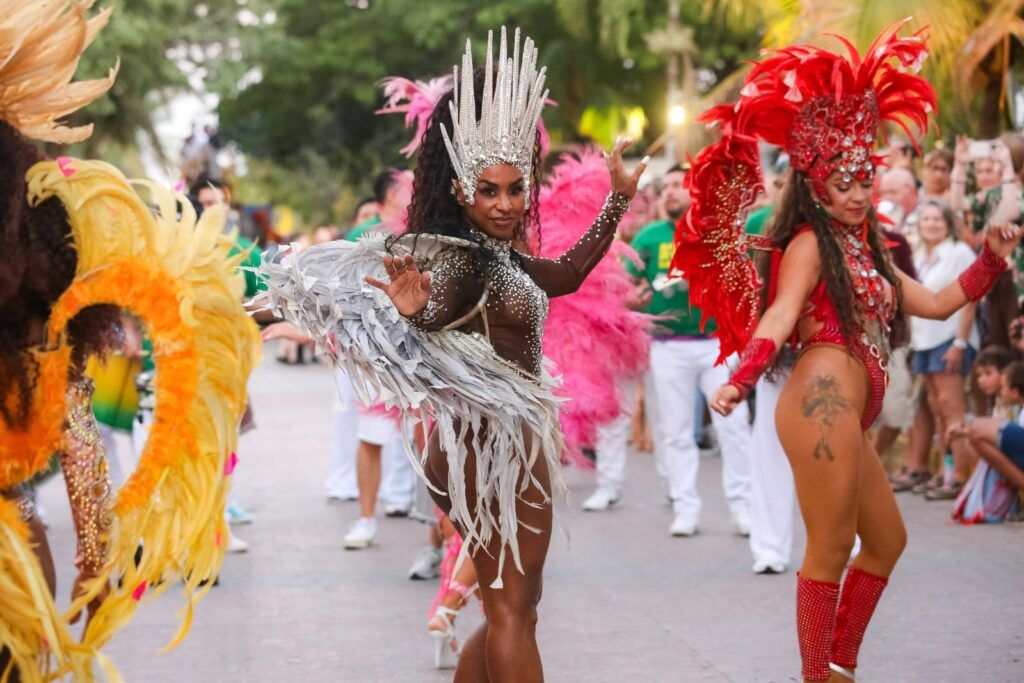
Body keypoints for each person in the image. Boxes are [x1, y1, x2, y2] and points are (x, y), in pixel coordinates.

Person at [260, 27, 646, 681]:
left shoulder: (501, 255)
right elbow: (440, 308)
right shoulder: (462, 262)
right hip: (487, 444)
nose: (506, 204)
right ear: (461, 190)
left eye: (516, 189)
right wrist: (418, 310)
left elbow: (569, 274)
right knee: (512, 609)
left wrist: (618, 200)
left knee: (514, 606)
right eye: (488, 190)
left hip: (500, 438)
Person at [675, 23, 1020, 682]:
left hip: (848, 415)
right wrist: (743, 377)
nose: (860, 192)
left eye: (866, 178)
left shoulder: (867, 249)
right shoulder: (810, 243)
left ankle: (838, 668)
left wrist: (991, 259)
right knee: (830, 548)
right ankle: (821, 677)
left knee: (887, 541)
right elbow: (782, 313)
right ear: (815, 186)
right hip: (822, 403)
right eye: (844, 181)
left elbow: (938, 303)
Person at [629, 164, 752, 536]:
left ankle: (743, 508)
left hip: (717, 344)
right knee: (676, 431)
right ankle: (685, 508)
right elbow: (625, 284)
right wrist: (634, 297)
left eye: (677, 184)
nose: (669, 191)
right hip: (668, 346)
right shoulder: (649, 236)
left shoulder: (719, 232)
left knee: (734, 426)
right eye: (665, 185)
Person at [907, 201, 980, 501]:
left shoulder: (959, 252)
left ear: (948, 223)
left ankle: (960, 475)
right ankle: (944, 472)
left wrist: (959, 343)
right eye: (926, 219)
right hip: (923, 339)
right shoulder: (919, 254)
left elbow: (971, 298)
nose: (931, 224)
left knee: (952, 407)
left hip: (949, 338)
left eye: (937, 219)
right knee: (937, 408)